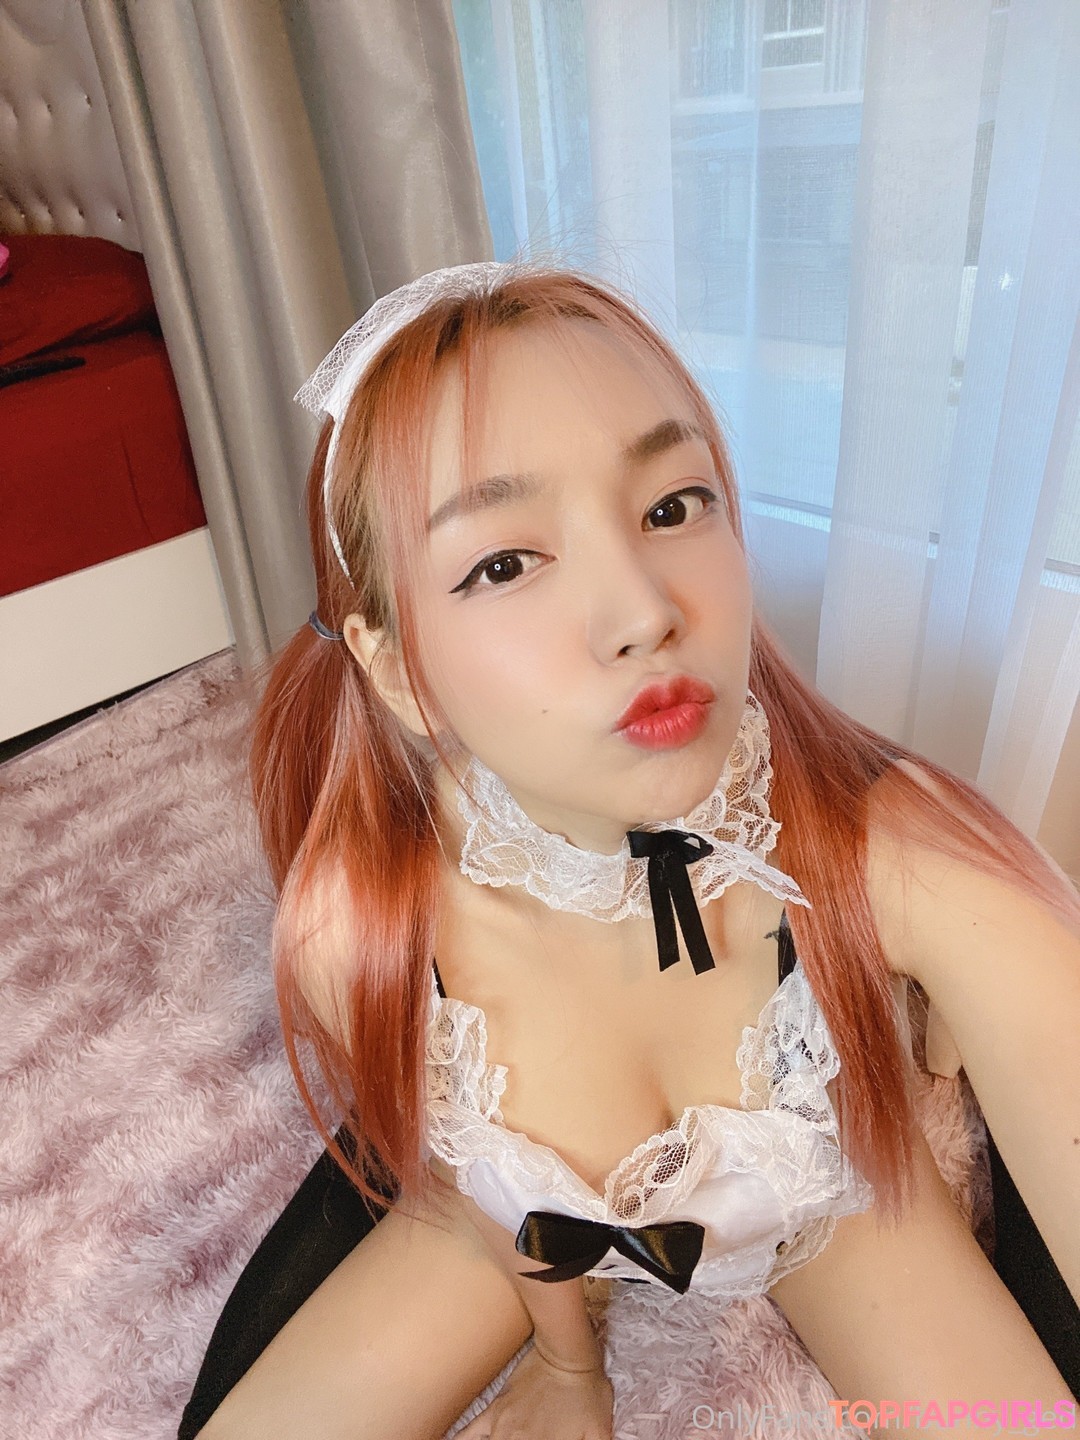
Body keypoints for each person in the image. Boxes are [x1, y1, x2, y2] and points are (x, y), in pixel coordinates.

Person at [180, 262, 1080, 1440]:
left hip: (833, 1207)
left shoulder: (909, 862)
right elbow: (495, 1204)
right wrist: (570, 1366)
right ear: (395, 668)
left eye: (672, 506)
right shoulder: (358, 931)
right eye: (504, 563)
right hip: (507, 1243)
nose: (647, 613)